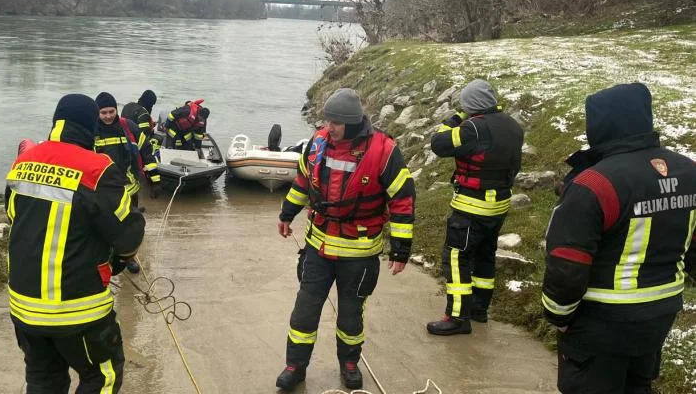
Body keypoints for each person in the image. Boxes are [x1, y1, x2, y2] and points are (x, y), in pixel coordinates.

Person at [541, 83, 696, 394]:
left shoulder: (595, 183)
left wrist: (558, 315)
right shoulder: (688, 171)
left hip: (600, 321)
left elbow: (567, 263)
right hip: (659, 314)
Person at [275, 88, 415, 392]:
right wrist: (287, 214)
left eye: (335, 123)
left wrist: (401, 249)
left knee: (351, 315)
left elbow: (403, 199)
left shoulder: (384, 150)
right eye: (327, 121)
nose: (329, 127)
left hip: (360, 253)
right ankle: (295, 366)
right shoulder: (318, 142)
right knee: (304, 311)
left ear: (351, 123)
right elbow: (302, 181)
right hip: (318, 248)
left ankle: (349, 364)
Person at [5, 93, 145, 393]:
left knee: (43, 381)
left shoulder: (23, 162)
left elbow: (13, 216)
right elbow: (128, 234)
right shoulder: (98, 169)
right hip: (79, 309)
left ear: (57, 122)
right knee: (102, 377)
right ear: (90, 125)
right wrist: (119, 260)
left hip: (24, 308)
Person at [426, 79, 524, 336]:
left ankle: (457, 317)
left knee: (457, 259)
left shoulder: (472, 129)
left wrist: (455, 117)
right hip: (499, 205)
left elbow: (439, 143)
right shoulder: (513, 125)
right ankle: (480, 309)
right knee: (485, 257)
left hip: (471, 207)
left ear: (471, 105)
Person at [94, 92, 161, 274]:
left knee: (130, 227)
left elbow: (146, 150)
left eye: (111, 111)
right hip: (102, 190)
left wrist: (154, 180)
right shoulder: (91, 131)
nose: (108, 116)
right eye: (103, 113)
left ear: (116, 110)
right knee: (102, 226)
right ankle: (103, 258)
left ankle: (129, 258)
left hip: (129, 188)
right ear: (97, 113)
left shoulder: (128, 127)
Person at [121, 89, 160, 156]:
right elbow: (144, 134)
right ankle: (151, 155)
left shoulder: (127, 106)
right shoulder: (144, 113)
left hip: (124, 139)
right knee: (159, 138)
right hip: (135, 143)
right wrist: (151, 130)